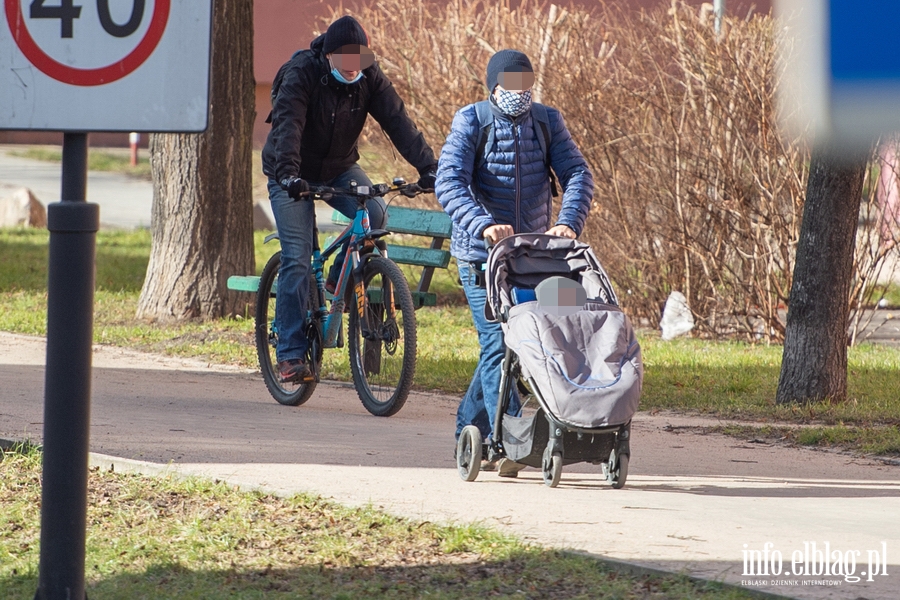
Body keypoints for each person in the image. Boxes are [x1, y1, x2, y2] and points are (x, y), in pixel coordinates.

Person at [436, 49, 594, 476]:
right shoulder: (471, 121)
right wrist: (483, 224)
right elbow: (448, 181)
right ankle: (505, 443)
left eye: (527, 84)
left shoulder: (546, 121)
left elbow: (577, 173)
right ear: (494, 85)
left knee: (514, 345)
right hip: (480, 258)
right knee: (499, 344)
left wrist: (568, 223)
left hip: (529, 258)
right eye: (511, 84)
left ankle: (468, 429)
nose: (520, 93)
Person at [262, 15, 438, 383]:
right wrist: (291, 176)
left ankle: (334, 277)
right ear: (328, 57)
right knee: (296, 257)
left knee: (375, 215)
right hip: (288, 169)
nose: (353, 67)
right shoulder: (302, 73)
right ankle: (291, 354)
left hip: (339, 167)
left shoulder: (369, 78)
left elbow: (398, 122)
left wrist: (429, 167)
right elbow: (288, 127)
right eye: (345, 60)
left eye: (359, 60)